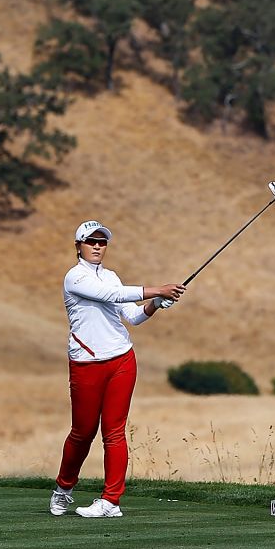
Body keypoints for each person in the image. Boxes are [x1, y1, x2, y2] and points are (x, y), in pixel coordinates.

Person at [49, 219, 186, 518]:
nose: (98, 247)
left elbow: (133, 317)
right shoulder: (74, 278)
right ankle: (64, 487)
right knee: (82, 432)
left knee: (114, 432)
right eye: (91, 242)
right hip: (86, 363)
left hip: (122, 359)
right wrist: (157, 289)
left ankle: (111, 501)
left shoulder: (111, 276)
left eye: (102, 242)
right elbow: (113, 296)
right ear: (79, 247)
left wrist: (156, 304)